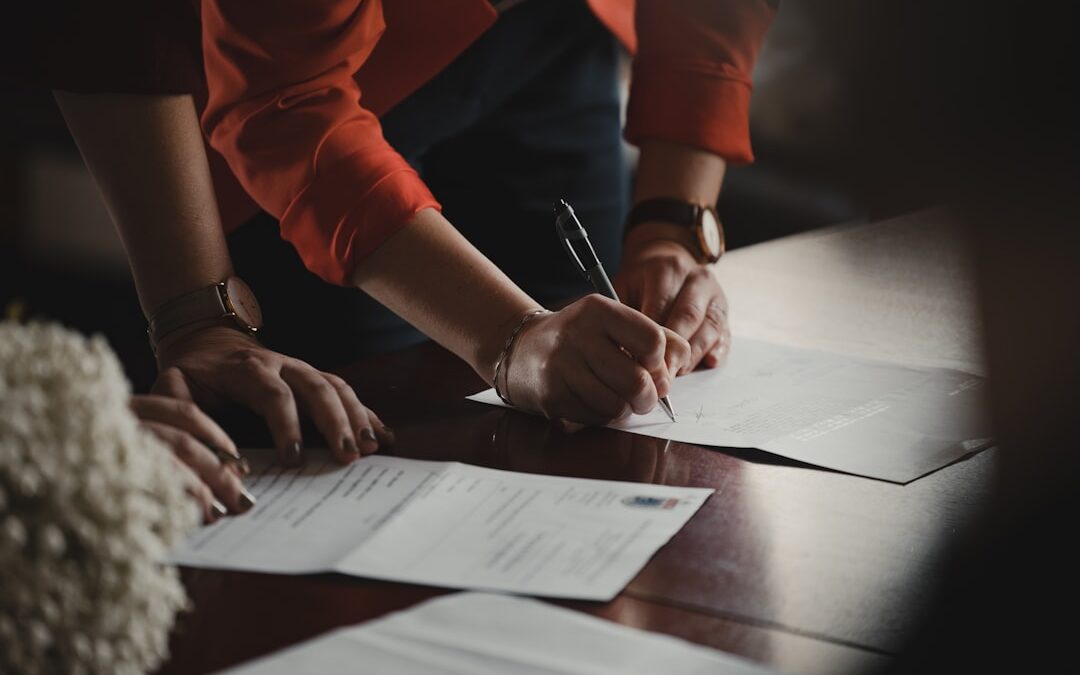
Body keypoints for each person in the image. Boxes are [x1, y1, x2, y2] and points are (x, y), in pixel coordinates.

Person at [148, 0, 774, 428]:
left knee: (590, 395)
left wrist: (670, 229)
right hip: (324, 85)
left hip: (556, 31)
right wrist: (511, 335)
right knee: (378, 432)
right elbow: (288, 103)